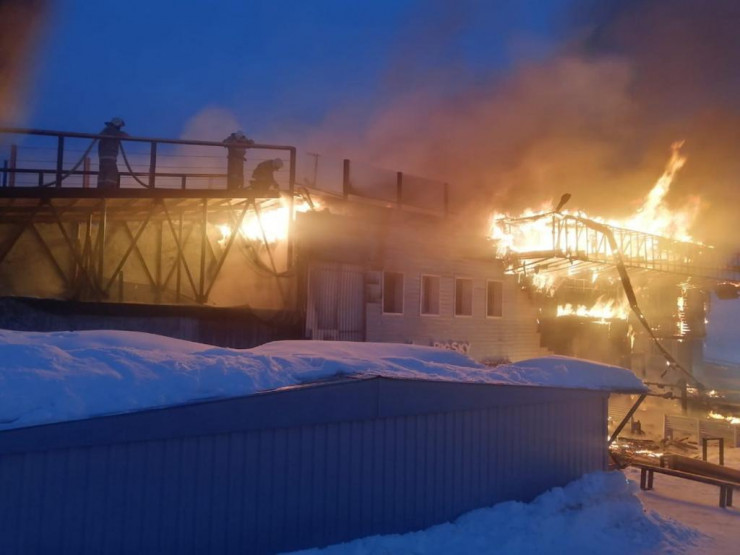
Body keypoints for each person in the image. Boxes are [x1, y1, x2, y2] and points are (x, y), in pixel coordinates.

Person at [97, 117, 128, 189]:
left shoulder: (105, 131)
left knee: (103, 176)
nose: (120, 128)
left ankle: (100, 191)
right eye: (120, 126)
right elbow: (126, 136)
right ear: (117, 125)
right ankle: (109, 191)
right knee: (112, 175)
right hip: (110, 159)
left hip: (102, 160)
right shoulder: (113, 131)